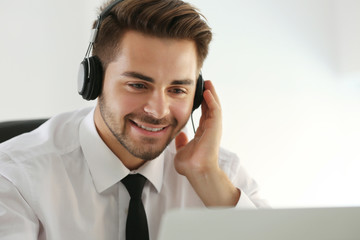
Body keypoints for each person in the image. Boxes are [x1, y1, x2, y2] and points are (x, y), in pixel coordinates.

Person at [0, 0, 268, 239]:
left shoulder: (220, 171)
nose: (159, 110)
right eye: (138, 85)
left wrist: (208, 177)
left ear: (198, 94)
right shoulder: (16, 178)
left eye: (177, 90)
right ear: (93, 81)